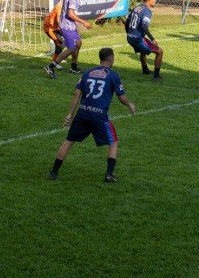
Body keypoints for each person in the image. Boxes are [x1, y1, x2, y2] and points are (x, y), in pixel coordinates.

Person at [48, 47, 136, 183]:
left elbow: (76, 94)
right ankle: (109, 175)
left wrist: (70, 114)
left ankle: (53, 172)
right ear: (111, 58)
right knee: (113, 142)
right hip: (99, 116)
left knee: (69, 141)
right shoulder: (113, 75)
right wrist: (130, 105)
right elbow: (122, 97)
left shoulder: (88, 72)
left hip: (82, 113)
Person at [45, 0, 94, 78]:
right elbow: (70, 14)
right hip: (67, 26)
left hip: (71, 25)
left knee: (78, 43)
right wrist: (84, 22)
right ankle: (50, 66)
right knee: (71, 48)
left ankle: (74, 68)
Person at [126, 0, 163, 82]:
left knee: (143, 49)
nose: (155, 0)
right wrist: (152, 39)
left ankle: (145, 70)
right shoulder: (147, 11)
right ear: (149, 0)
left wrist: (128, 32)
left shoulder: (137, 8)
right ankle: (156, 76)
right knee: (160, 52)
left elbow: (127, 21)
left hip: (130, 37)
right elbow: (144, 26)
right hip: (137, 39)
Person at [42, 0, 66, 78]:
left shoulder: (64, 6)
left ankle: (57, 60)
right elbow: (58, 19)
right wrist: (62, 29)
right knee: (59, 44)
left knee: (64, 42)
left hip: (55, 27)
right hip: (49, 28)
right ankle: (54, 62)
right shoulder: (59, 7)